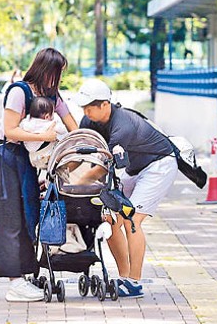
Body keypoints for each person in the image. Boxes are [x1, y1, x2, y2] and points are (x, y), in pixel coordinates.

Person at [74, 78, 178, 299]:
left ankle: (134, 282)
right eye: (84, 107)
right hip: (133, 168)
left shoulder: (123, 126)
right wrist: (60, 174)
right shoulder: (88, 121)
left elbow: (100, 169)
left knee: (132, 220)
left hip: (158, 165)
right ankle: (123, 277)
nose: (86, 111)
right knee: (111, 220)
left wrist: (78, 183)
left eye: (90, 106)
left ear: (105, 104)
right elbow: (79, 154)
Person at [0, 48, 78, 302]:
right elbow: (10, 130)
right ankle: (14, 282)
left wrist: (82, 145)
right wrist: (44, 137)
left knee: (30, 214)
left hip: (27, 162)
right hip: (6, 157)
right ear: (45, 70)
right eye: (56, 74)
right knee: (10, 218)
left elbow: (73, 127)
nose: (58, 80)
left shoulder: (52, 96)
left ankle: (24, 276)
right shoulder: (19, 92)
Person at [19, 96, 68, 169]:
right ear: (47, 116)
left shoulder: (26, 123)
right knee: (57, 139)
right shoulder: (49, 124)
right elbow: (63, 130)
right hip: (46, 156)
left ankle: (42, 177)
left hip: (33, 158)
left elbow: (20, 126)